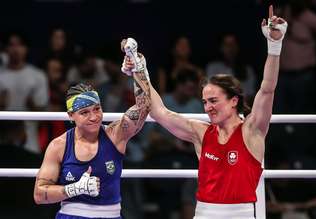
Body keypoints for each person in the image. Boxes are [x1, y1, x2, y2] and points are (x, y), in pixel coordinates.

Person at [122, 5, 287, 219]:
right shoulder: (201, 133)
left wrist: (274, 45)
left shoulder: (252, 129)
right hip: (204, 213)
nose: (208, 107)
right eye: (204, 102)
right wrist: (139, 68)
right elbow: (159, 112)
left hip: (243, 213)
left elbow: (267, 88)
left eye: (213, 101)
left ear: (233, 101)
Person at [33, 38, 151, 219]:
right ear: (71, 116)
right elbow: (40, 195)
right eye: (85, 112)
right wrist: (75, 188)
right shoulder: (59, 145)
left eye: (97, 109)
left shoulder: (114, 134)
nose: (94, 117)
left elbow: (143, 108)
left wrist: (137, 67)